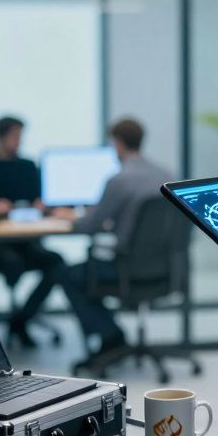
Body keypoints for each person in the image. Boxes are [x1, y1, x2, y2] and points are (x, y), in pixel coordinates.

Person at [56, 118, 175, 374]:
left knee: (67, 274)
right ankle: (113, 336)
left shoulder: (120, 180)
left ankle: (111, 337)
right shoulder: (167, 175)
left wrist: (68, 217)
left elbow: (90, 226)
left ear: (117, 143)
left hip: (126, 267)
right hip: (165, 268)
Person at [0, 115, 66, 348]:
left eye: (21, 136)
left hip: (26, 240)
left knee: (57, 264)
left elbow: (36, 200)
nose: (19, 141)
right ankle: (18, 322)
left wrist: (41, 206)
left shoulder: (27, 166)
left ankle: (21, 319)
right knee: (12, 263)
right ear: (1, 137)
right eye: (15, 136)